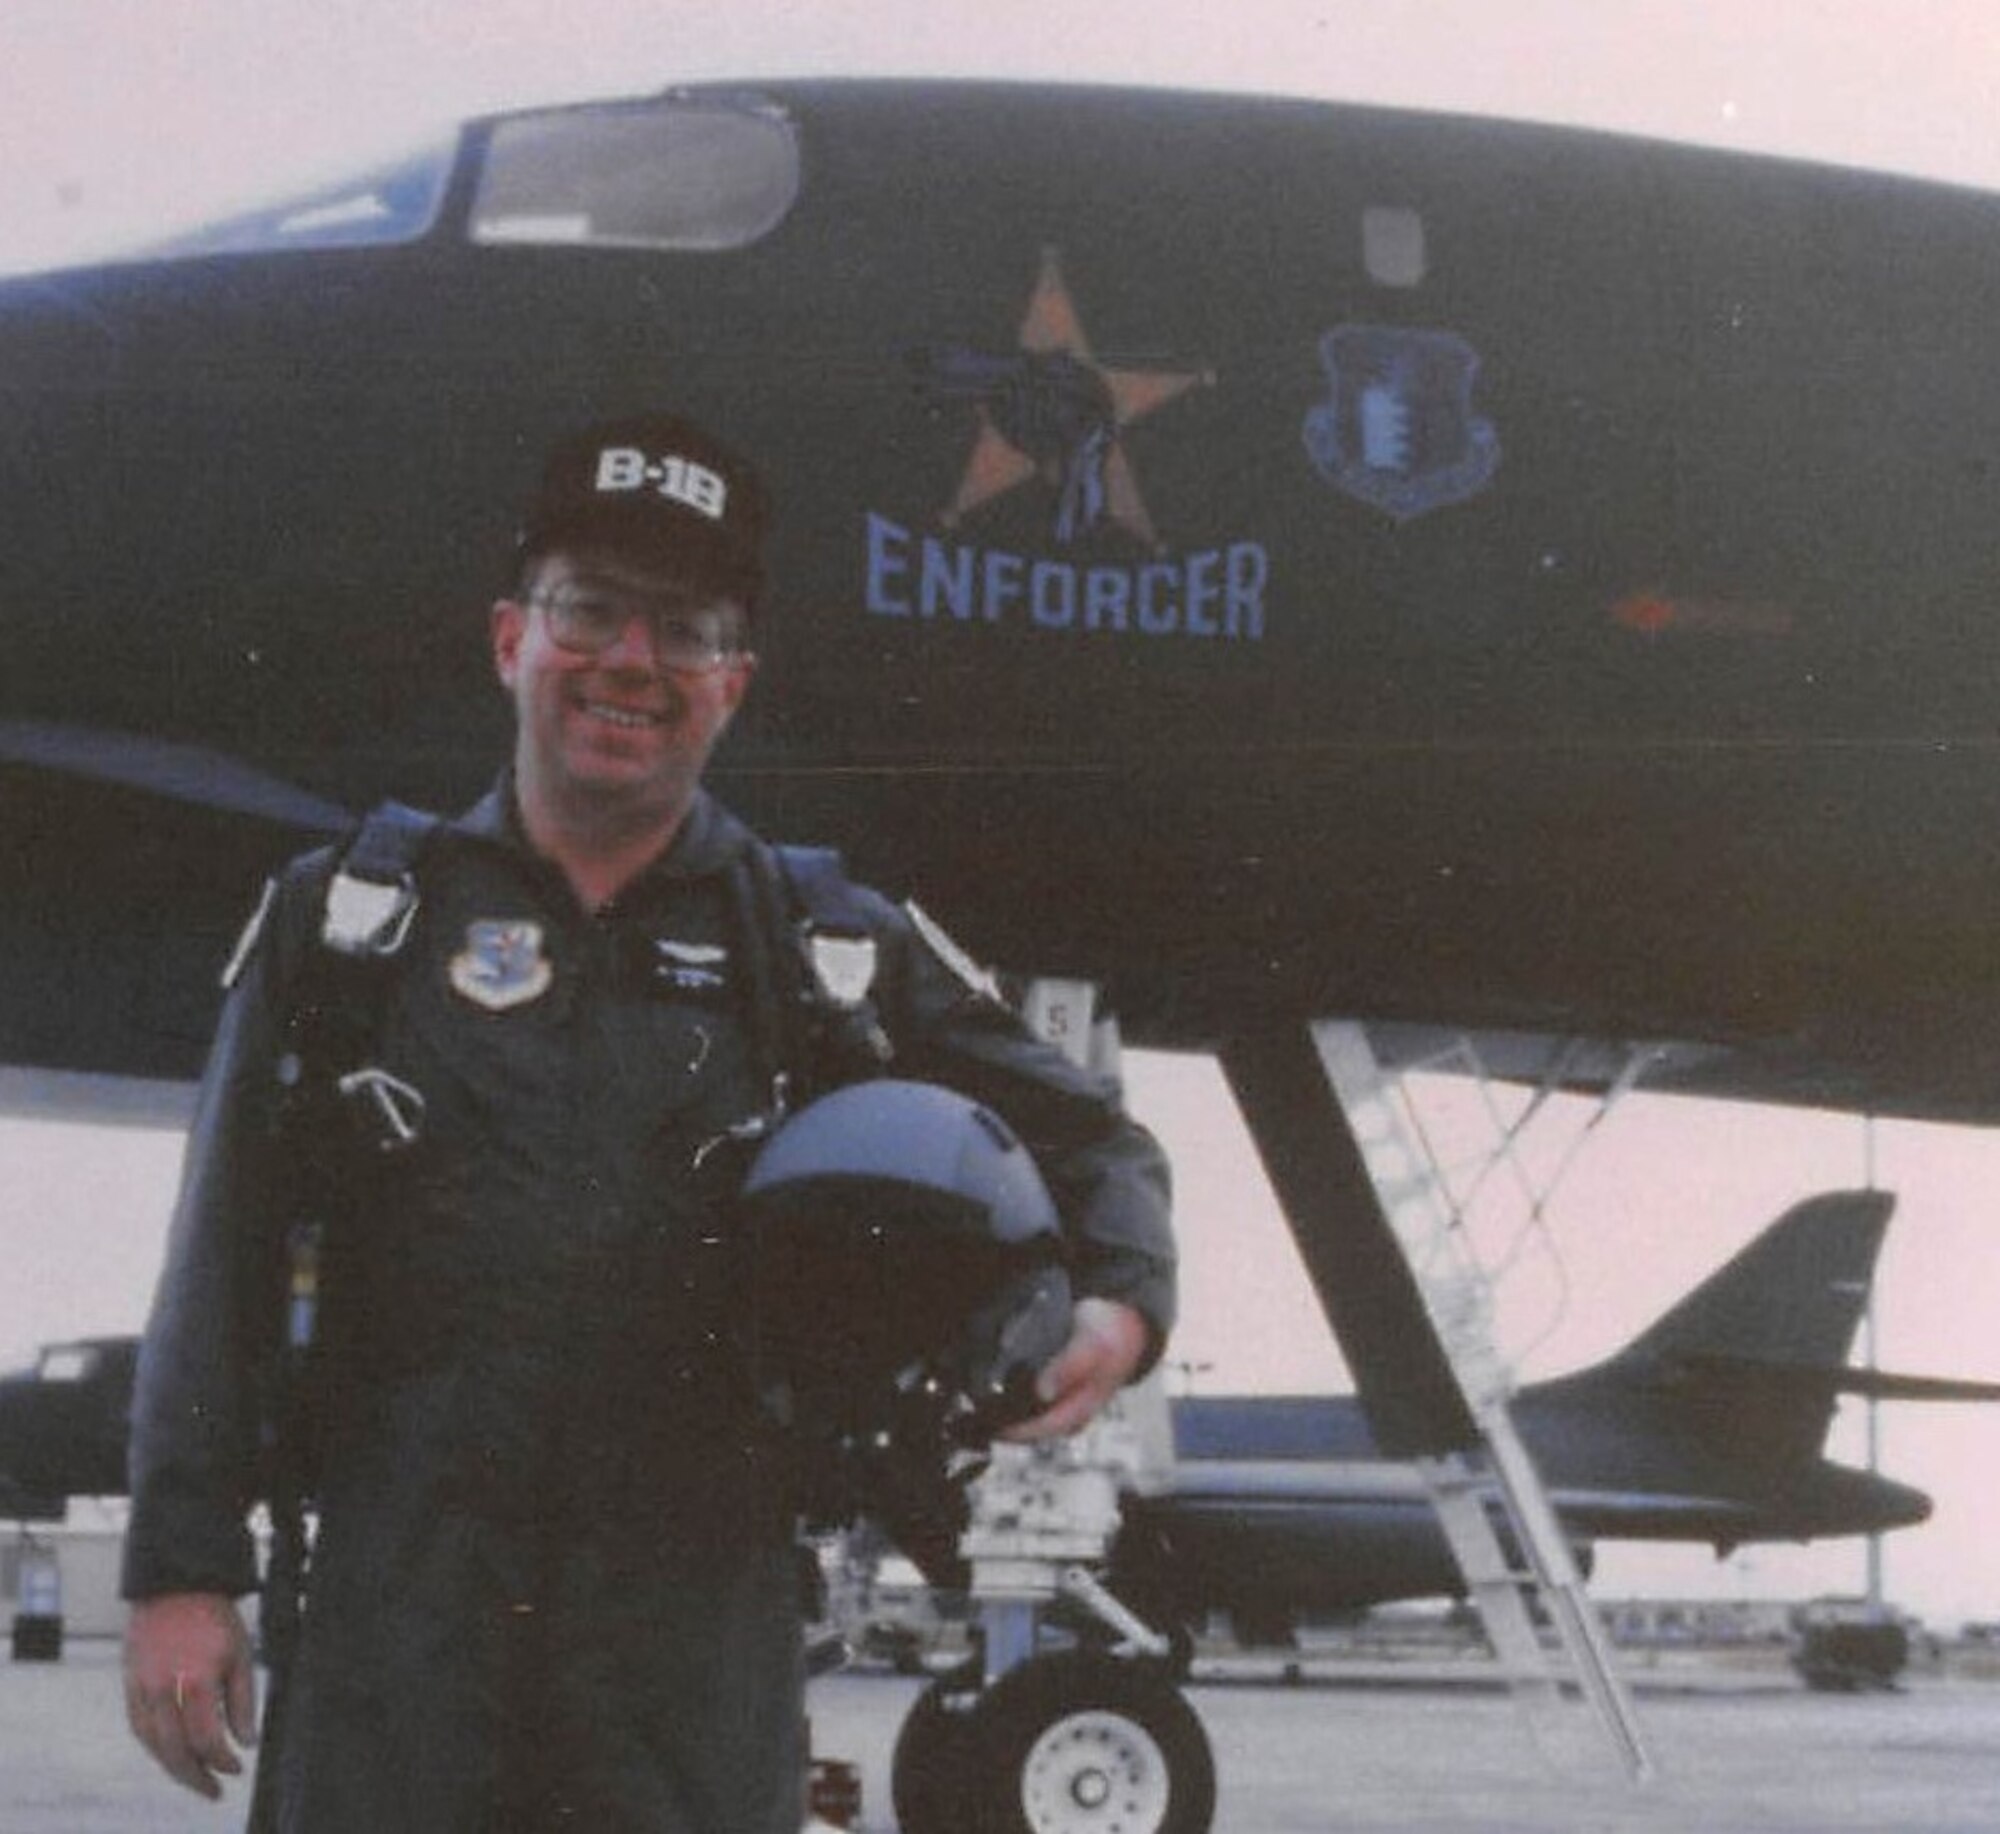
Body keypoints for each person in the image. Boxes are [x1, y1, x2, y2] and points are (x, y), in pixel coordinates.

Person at [119, 410, 1176, 1833]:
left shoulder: (822, 940)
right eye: (590, 612)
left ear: (734, 680)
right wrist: (181, 1569)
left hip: (689, 1655)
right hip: (395, 1629)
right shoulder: (356, 921)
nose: (632, 662)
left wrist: (1121, 1307)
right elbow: (220, 1264)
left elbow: (1098, 1142)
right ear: (510, 639)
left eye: (683, 630)